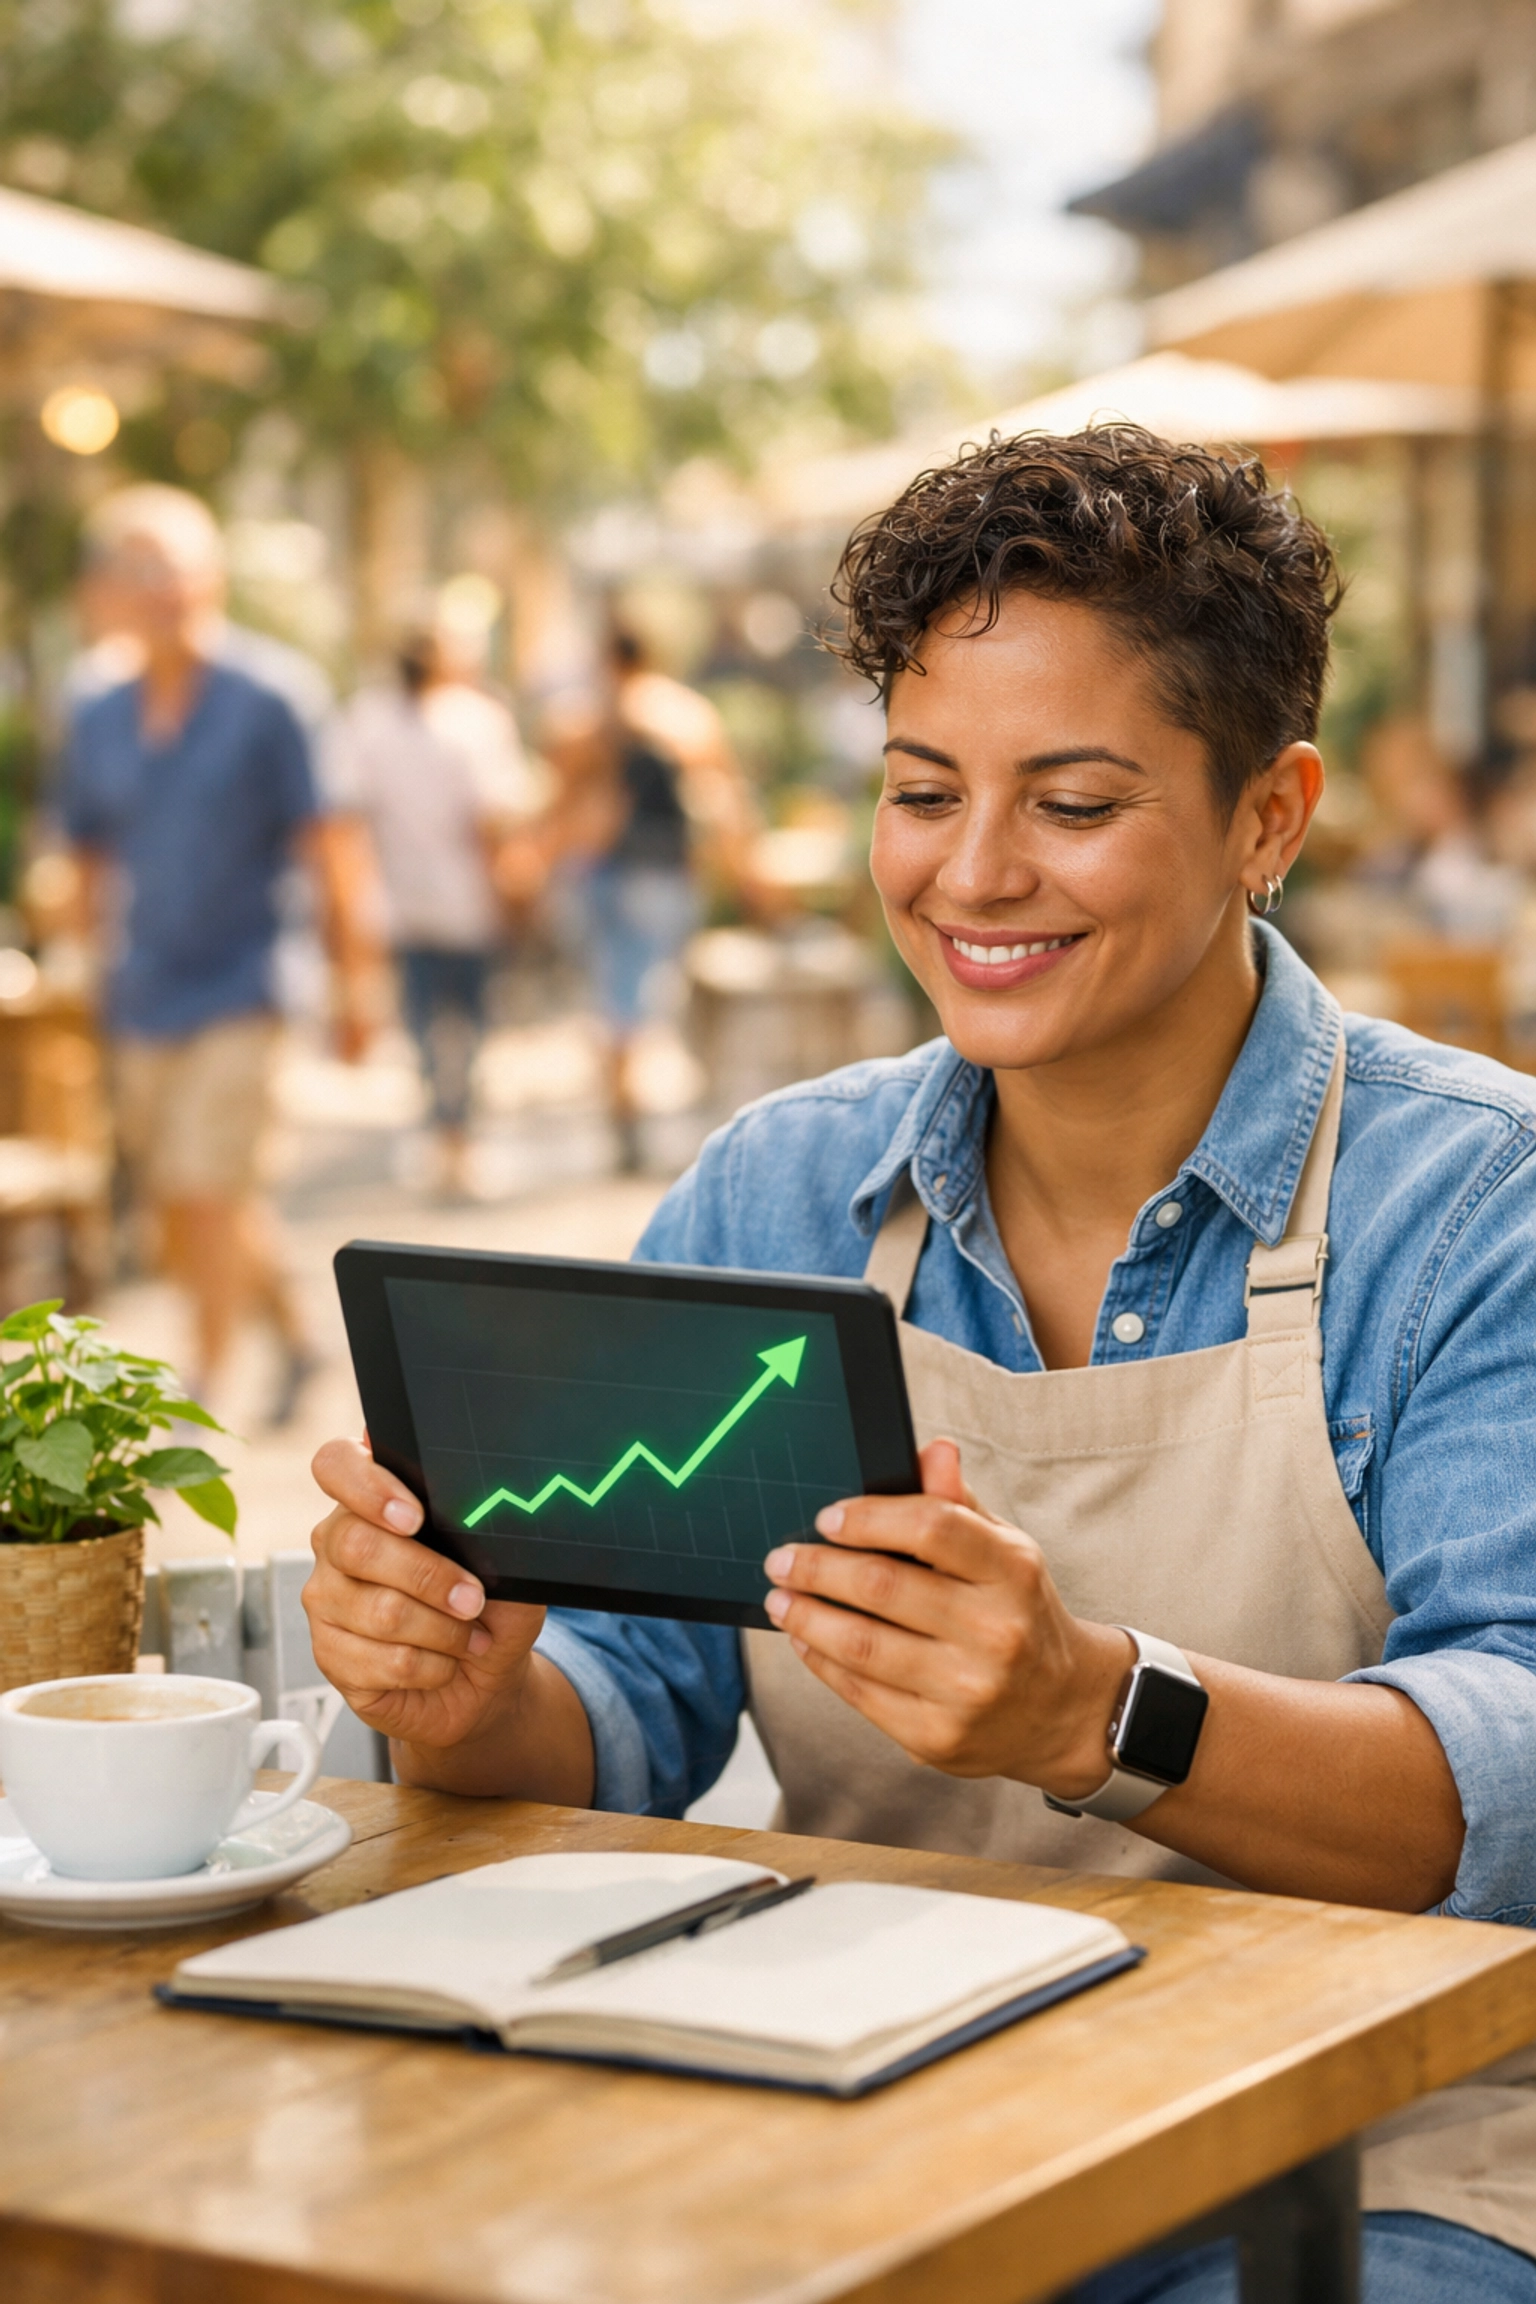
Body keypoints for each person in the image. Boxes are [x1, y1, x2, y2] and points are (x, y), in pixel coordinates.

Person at [304, 429, 1536, 2300]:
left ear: (1268, 816)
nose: (972, 872)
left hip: (1375, 2157)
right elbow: (627, 1703)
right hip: (864, 2118)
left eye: (1074, 799)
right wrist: (465, 1693)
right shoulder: (781, 1185)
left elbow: (1513, 1763)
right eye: (921, 786)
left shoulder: (1472, 1203)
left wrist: (1095, 1710)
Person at [62, 485, 369, 1420]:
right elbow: (83, 854)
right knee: (191, 1199)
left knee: (206, 1185)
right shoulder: (97, 709)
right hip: (143, 989)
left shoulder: (272, 695)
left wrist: (360, 982)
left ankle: (201, 1375)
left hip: (248, 983)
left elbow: (333, 846)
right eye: (139, 568)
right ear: (106, 590)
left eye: (177, 564)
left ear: (214, 577)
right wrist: (77, 967)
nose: (161, 587)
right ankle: (301, 1333)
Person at [328, 624, 544, 1197]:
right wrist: (511, 888)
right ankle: (459, 1135)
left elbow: (349, 817)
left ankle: (442, 1131)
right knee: (469, 1022)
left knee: (425, 1022)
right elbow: (494, 817)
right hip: (465, 900)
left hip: (401, 902)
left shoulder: (369, 722)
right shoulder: (474, 720)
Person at [542, 625, 760, 1170]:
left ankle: (624, 1109)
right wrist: (745, 874)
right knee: (651, 992)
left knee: (613, 993)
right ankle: (644, 1110)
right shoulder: (686, 715)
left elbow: (559, 805)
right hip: (663, 872)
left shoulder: (578, 721)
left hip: (599, 873)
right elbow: (724, 799)